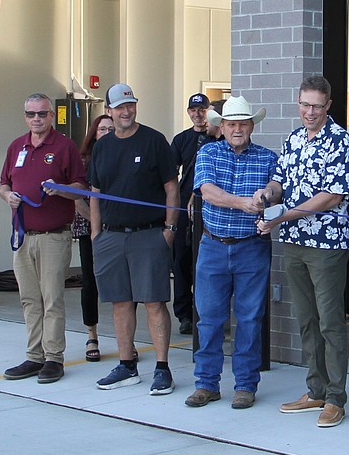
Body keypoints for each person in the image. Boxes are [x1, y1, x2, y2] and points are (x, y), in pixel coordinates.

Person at [254, 75, 349, 428]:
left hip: (325, 244)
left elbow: (332, 196)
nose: (309, 111)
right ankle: (315, 389)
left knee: (330, 322)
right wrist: (266, 194)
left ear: (328, 106)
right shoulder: (294, 138)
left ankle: (336, 398)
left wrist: (284, 215)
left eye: (316, 105)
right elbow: (280, 180)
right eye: (304, 104)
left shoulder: (340, 141)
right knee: (307, 320)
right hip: (294, 241)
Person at [187, 96, 277, 411]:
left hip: (251, 247)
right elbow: (207, 191)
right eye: (231, 124)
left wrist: (268, 193)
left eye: (243, 123)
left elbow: (277, 188)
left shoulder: (268, 157)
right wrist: (243, 202)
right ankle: (206, 384)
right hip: (213, 246)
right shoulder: (207, 152)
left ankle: (245, 385)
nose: (237, 129)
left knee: (250, 319)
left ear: (252, 125)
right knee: (209, 320)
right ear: (221, 126)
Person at [89, 83, 180, 395]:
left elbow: (171, 187)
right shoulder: (102, 146)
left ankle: (162, 368)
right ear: (109, 112)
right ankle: (127, 366)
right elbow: (95, 193)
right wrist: (96, 234)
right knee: (120, 303)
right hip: (111, 238)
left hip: (149, 235)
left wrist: (169, 229)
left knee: (154, 302)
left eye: (131, 105)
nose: (126, 111)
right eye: (120, 107)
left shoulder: (154, 141)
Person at [0, 93, 88, 384]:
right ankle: (33, 356)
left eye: (41, 113)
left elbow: (80, 189)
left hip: (53, 236)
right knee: (29, 299)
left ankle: (53, 358)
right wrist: (7, 196)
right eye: (31, 114)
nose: (36, 119)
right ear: (25, 116)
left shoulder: (65, 147)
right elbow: (4, 184)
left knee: (52, 299)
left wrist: (59, 189)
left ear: (52, 115)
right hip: (23, 235)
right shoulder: (17, 147)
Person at [170, 93, 217, 335]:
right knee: (180, 262)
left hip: (208, 210)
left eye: (202, 109)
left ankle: (203, 311)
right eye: (194, 110)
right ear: (188, 113)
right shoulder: (181, 140)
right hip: (181, 210)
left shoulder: (218, 139)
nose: (198, 114)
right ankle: (184, 314)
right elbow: (169, 175)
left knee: (204, 263)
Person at [71, 114, 114, 362]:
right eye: (102, 129)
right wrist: (97, 223)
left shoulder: (121, 156)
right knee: (90, 281)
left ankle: (125, 339)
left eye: (111, 128)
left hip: (118, 229)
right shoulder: (83, 161)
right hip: (89, 228)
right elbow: (78, 200)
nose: (106, 132)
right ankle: (92, 335)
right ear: (94, 133)